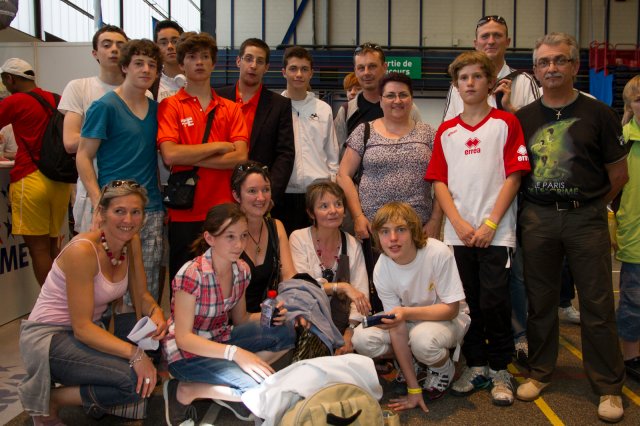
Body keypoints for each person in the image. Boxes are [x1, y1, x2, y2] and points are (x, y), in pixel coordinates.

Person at [514, 33, 628, 423]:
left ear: (575, 66)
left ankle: (608, 385)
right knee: (540, 303)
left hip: (586, 219)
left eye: (560, 60)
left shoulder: (599, 114)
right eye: (544, 62)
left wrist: (590, 205)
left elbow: (619, 173)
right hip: (538, 218)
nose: (552, 68)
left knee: (597, 304)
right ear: (535, 70)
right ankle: (540, 372)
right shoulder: (523, 119)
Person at [425, 50, 530, 406]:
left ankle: (500, 367)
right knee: (466, 304)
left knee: (495, 302)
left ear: (490, 82)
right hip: (459, 235)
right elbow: (439, 181)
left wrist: (490, 224)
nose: (470, 83)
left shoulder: (506, 123)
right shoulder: (447, 131)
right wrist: (456, 223)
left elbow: (514, 177)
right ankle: (476, 365)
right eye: (463, 78)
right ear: (456, 86)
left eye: (477, 76)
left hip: (496, 234)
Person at [18, 180, 167, 425]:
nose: (128, 219)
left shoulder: (131, 242)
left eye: (135, 212)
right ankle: (52, 400)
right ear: (102, 213)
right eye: (119, 211)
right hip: (50, 338)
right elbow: (82, 328)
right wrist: (135, 354)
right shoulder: (83, 251)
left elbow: (142, 296)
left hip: (93, 326)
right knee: (133, 380)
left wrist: (156, 312)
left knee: (161, 338)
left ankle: (96, 392)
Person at [162, 203, 295, 424]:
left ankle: (236, 378)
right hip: (186, 354)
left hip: (220, 338)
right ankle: (186, 390)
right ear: (210, 238)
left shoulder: (241, 269)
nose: (239, 244)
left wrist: (270, 314)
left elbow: (241, 319)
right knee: (258, 388)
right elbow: (183, 339)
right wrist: (236, 353)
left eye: (243, 236)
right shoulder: (192, 274)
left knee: (286, 330)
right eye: (230, 237)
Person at [352, 202, 469, 411]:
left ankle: (444, 367)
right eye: (385, 231)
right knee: (361, 338)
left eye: (401, 229)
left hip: (447, 318)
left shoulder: (437, 252)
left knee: (422, 341)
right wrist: (413, 389)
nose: (393, 238)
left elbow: (451, 309)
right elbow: (397, 329)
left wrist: (406, 313)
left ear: (413, 231)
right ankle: (413, 365)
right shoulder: (382, 268)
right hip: (408, 319)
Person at [157, 32, 249, 285]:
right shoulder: (170, 106)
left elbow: (240, 156)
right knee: (183, 282)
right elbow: (170, 154)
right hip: (185, 211)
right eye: (192, 57)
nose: (199, 62)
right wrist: (218, 146)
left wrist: (188, 154)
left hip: (224, 210)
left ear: (213, 63)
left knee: (224, 282)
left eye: (205, 57)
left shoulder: (231, 108)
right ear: (181, 63)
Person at [337, 72, 442, 243]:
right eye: (390, 95)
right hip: (374, 229)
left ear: (411, 99)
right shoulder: (364, 131)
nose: (397, 100)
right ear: (381, 100)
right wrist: (358, 217)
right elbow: (343, 175)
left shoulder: (429, 134)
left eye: (403, 95)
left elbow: (442, 180)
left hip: (419, 229)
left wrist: (435, 220)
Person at [0, 58, 72, 286]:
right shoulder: (57, 99)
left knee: (38, 250)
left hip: (30, 179)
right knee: (53, 246)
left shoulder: (15, 101)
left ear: (10, 78)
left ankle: (50, 304)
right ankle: (63, 301)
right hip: (60, 181)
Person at [58, 25, 129, 233]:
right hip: (94, 188)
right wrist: (118, 139)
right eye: (107, 45)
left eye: (120, 45)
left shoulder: (143, 93)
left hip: (131, 189)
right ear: (95, 53)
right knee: (94, 249)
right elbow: (70, 142)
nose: (114, 49)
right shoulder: (79, 87)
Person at [289, 181, 370, 355]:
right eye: (324, 206)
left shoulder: (352, 244)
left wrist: (350, 331)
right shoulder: (299, 238)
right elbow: (303, 287)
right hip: (310, 322)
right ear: (311, 213)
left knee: (361, 342)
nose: (333, 211)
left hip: (343, 323)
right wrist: (342, 286)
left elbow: (361, 294)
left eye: (338, 204)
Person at [217, 38, 295, 205]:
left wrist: (269, 196)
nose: (253, 65)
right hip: (219, 191)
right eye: (248, 59)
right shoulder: (217, 98)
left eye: (260, 61)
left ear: (266, 67)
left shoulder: (280, 105)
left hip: (259, 198)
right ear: (238, 61)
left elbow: (285, 155)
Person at [271, 46, 340, 234]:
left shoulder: (323, 109)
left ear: (311, 73)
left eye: (304, 69)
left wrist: (331, 187)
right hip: (283, 194)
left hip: (317, 193)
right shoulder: (274, 107)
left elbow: (332, 155)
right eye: (293, 69)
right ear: (284, 72)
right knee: (284, 246)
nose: (299, 74)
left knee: (318, 246)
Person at [442, 15, 540, 120]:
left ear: (507, 42)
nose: (491, 41)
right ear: (476, 44)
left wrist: (511, 110)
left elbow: (538, 127)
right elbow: (447, 127)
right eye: (485, 36)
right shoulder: (459, 86)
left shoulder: (525, 82)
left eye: (497, 35)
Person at [231, 161, 297, 313]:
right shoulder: (228, 233)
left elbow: (289, 276)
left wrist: (293, 308)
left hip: (272, 313)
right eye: (252, 191)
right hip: (236, 319)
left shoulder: (276, 226)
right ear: (236, 195)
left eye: (266, 189)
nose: (261, 198)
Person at [333, 42, 422, 151]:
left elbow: (420, 147)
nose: (366, 72)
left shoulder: (408, 109)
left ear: (384, 67)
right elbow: (337, 153)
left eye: (372, 66)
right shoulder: (346, 112)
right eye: (361, 68)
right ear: (355, 71)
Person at [617, 75, 640, 382]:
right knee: (634, 300)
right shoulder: (623, 139)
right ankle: (631, 355)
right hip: (635, 234)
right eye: (639, 99)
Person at [152, 20, 186, 102]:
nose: (170, 46)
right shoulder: (151, 84)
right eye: (163, 43)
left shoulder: (196, 79)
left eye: (175, 41)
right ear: (156, 47)